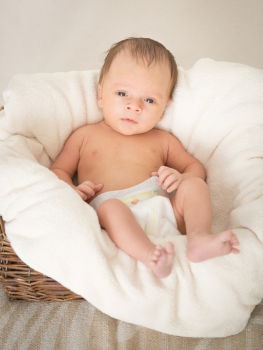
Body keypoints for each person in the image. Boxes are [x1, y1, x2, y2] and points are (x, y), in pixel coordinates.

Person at [50, 37, 240, 278]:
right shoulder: (85, 136)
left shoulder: (163, 140)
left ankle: (199, 239)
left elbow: (195, 167)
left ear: (164, 108)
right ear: (101, 95)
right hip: (113, 213)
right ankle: (151, 255)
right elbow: (59, 171)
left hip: (164, 208)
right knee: (110, 208)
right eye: (122, 93)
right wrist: (72, 190)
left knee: (195, 185)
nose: (134, 106)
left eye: (149, 100)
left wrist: (181, 177)